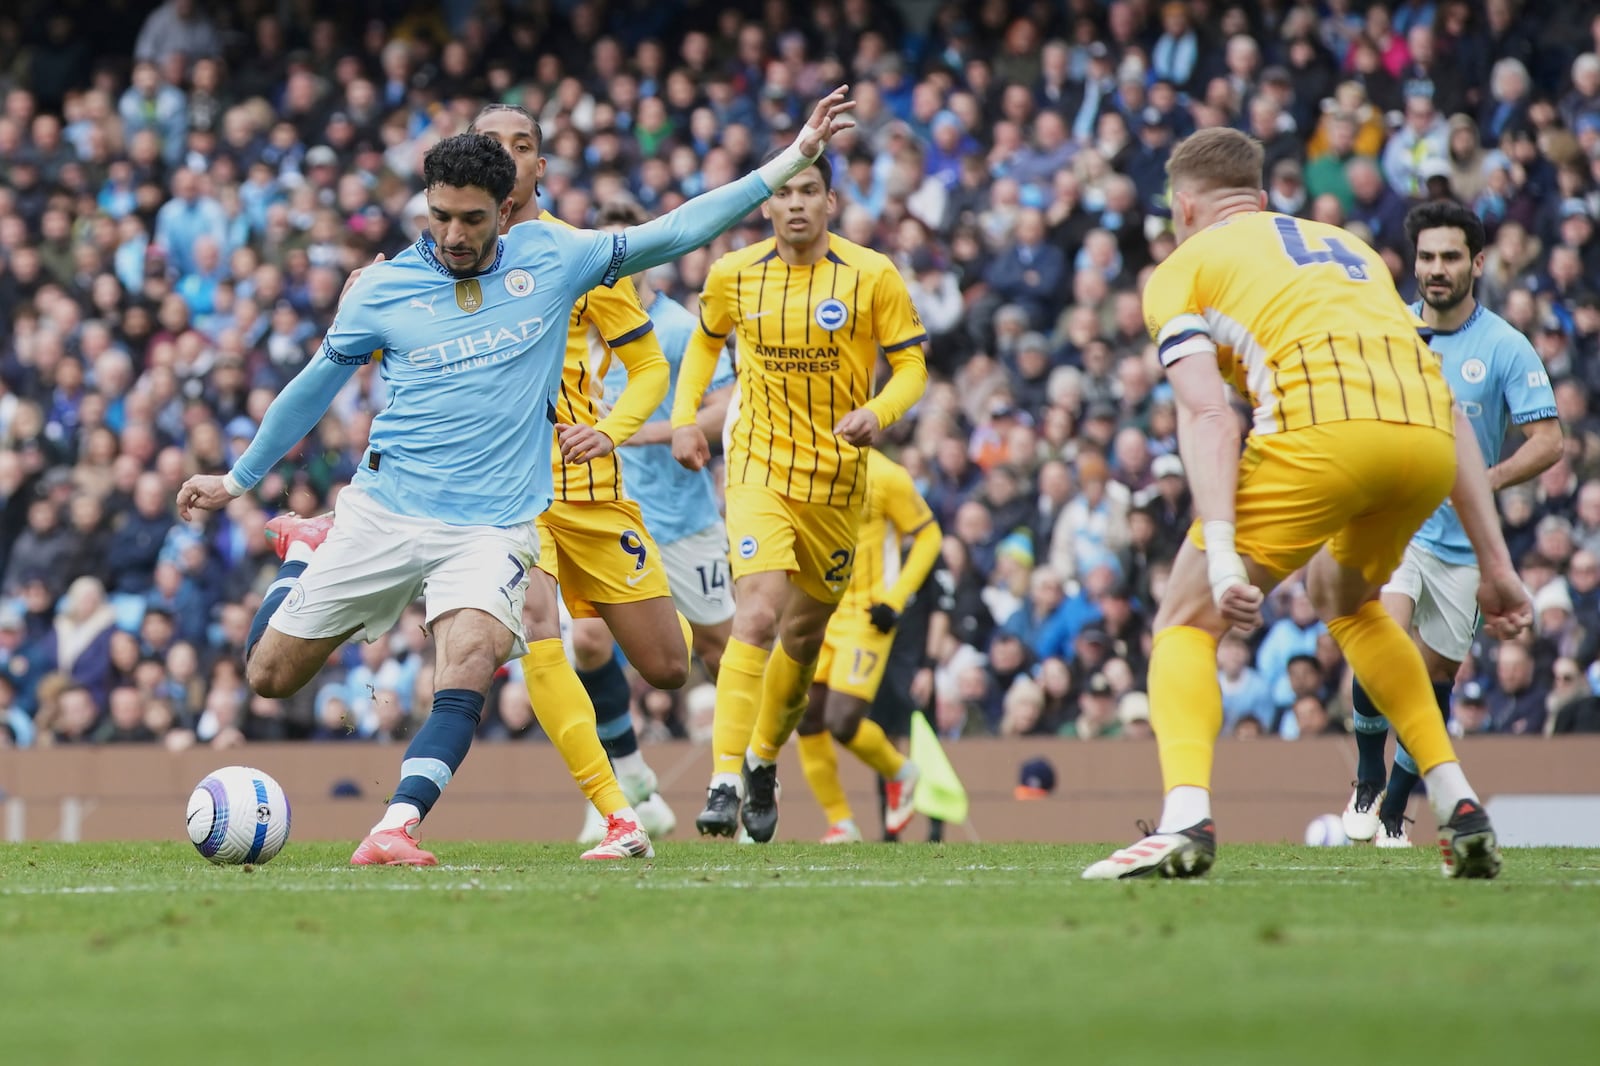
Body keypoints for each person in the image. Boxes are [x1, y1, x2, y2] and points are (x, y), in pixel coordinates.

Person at [176, 87, 861, 865]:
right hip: (386, 509)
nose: (453, 234)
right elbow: (311, 389)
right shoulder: (383, 288)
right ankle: (303, 557)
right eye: (439, 217)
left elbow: (676, 229)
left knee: (475, 659)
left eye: (472, 218)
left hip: (493, 524)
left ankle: (397, 825)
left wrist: (793, 158)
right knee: (269, 676)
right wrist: (237, 480)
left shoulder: (557, 258)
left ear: (508, 208)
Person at [1081, 128, 1530, 883]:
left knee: (1185, 622)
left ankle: (1186, 818)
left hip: (1320, 428)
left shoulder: (1181, 267)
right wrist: (1497, 564)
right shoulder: (1346, 246)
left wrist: (1224, 559)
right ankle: (1456, 802)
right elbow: (1449, 410)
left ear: (1183, 207)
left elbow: (1209, 417)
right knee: (1346, 599)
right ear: (1260, 200)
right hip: (1423, 438)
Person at [672, 146, 930, 843]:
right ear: (766, 204)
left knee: (802, 637)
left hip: (838, 481)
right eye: (784, 193)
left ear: (829, 202)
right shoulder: (733, 275)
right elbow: (704, 343)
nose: (794, 204)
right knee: (753, 615)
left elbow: (911, 366)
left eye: (808, 191)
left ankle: (762, 761)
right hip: (757, 467)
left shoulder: (873, 274)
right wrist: (682, 417)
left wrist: (880, 411)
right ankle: (725, 778)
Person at [471, 105, 685, 843]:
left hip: (589, 486)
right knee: (540, 632)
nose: (508, 156)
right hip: (509, 489)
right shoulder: (445, 254)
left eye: (522, 146)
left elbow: (650, 366)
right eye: (493, 145)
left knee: (666, 665)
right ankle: (617, 810)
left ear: (539, 169)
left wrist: (612, 430)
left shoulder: (575, 252)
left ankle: (629, 774)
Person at [1341, 201, 1561, 847]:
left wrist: (1482, 482)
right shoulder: (1388, 331)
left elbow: (1547, 441)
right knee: (1381, 635)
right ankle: (1363, 779)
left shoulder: (1503, 346)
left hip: (1464, 546)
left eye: (1450, 258)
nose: (1437, 270)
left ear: (1477, 263)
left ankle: (1392, 813)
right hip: (1398, 526)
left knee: (1436, 680)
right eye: (1428, 257)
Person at [795, 448, 942, 843]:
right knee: (805, 715)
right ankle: (841, 821)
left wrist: (895, 600)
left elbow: (930, 535)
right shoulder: (802, 464)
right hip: (819, 609)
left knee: (841, 721)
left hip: (866, 614)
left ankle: (900, 771)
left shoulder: (886, 476)